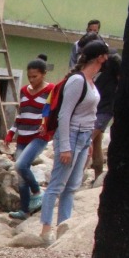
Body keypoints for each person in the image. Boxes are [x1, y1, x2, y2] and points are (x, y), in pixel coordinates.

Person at [40, 39, 109, 245]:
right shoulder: (77, 81)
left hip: (84, 136)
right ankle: (45, 229)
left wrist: (89, 144)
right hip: (71, 134)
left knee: (71, 187)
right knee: (57, 185)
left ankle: (63, 227)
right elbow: (65, 114)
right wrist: (65, 146)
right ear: (100, 58)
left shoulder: (91, 81)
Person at [3, 55, 54, 220]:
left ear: (44, 74)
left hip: (39, 135)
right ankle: (24, 211)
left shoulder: (50, 90)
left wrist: (47, 125)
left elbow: (51, 112)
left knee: (20, 165)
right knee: (21, 176)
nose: (32, 80)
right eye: (29, 76)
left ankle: (38, 192)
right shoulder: (24, 90)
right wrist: (11, 132)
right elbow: (21, 113)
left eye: (35, 76)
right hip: (22, 136)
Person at [90, 48, 120, 179]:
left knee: (85, 141)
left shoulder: (112, 61)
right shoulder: (97, 67)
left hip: (105, 109)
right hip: (95, 108)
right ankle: (98, 178)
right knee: (96, 144)